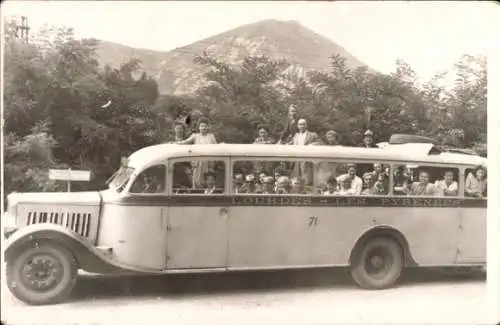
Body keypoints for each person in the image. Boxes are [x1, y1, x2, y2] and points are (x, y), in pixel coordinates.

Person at [176, 117, 217, 187]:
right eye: (202, 126)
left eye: (205, 126)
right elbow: (185, 142)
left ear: (208, 127)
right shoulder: (195, 136)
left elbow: (217, 148)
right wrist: (176, 143)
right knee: (196, 180)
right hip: (197, 163)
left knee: (208, 180)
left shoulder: (211, 136)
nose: (203, 128)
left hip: (208, 163)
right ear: (199, 127)